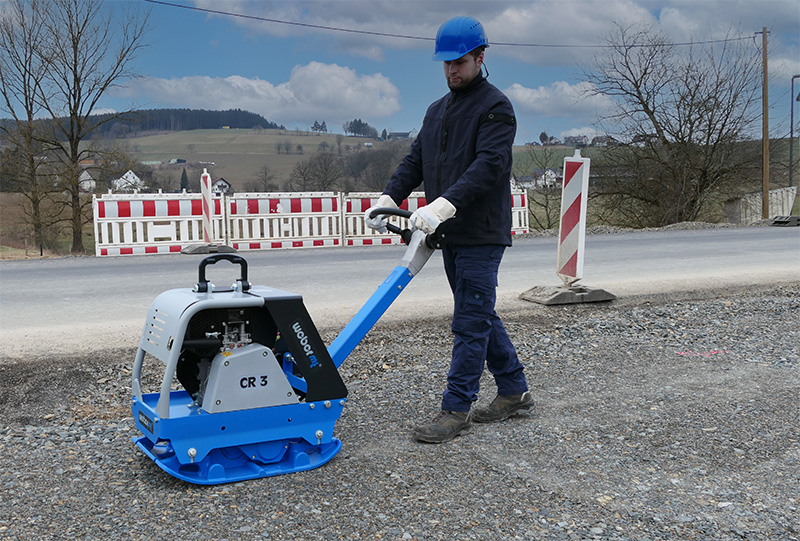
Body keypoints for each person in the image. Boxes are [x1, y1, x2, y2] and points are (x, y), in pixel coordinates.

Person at [364, 16, 533, 443]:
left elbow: (489, 166)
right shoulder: (437, 110)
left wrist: (442, 205)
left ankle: (456, 409)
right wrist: (388, 197)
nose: (452, 70)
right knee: (478, 312)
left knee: (468, 322)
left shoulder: (496, 108)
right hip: (449, 234)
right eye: (446, 63)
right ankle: (514, 390)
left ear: (480, 58)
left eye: (459, 62)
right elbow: (415, 161)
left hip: (481, 232)